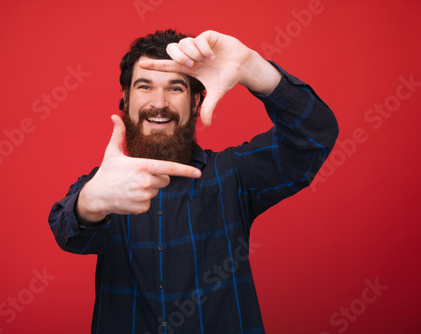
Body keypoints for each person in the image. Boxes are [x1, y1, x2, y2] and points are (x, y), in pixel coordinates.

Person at [48, 29, 339, 334]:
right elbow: (70, 234)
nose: (158, 103)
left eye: (175, 88)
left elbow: (313, 136)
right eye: (144, 86)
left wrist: (252, 67)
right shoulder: (104, 187)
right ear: (125, 99)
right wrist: (90, 203)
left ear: (197, 100)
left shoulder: (233, 174)